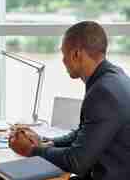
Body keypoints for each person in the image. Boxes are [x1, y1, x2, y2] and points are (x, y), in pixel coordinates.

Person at [9, 21, 130, 180]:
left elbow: (76, 161)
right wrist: (47, 142)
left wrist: (31, 151)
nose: (63, 60)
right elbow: (85, 133)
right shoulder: (114, 76)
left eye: (64, 53)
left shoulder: (103, 92)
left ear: (76, 55)